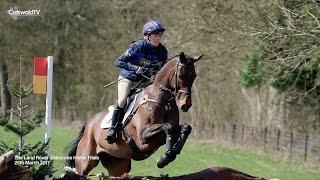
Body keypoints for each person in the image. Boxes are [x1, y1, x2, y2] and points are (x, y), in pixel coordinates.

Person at [106, 20, 168, 144]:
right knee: (123, 99)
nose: (158, 37)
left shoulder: (162, 52)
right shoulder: (138, 46)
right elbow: (118, 62)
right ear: (148, 36)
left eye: (159, 35)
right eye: (155, 35)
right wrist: (135, 68)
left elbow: (162, 70)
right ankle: (113, 128)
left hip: (145, 82)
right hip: (128, 78)